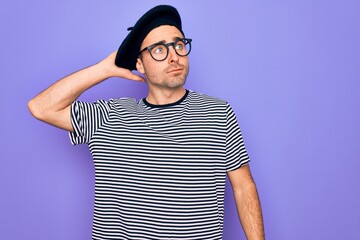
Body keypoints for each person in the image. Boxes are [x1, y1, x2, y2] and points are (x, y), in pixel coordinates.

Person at [28, 5, 264, 240]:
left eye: (179, 45)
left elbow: (244, 187)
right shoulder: (110, 117)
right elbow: (41, 107)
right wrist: (103, 70)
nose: (174, 56)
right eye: (159, 49)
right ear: (139, 64)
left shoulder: (218, 113)